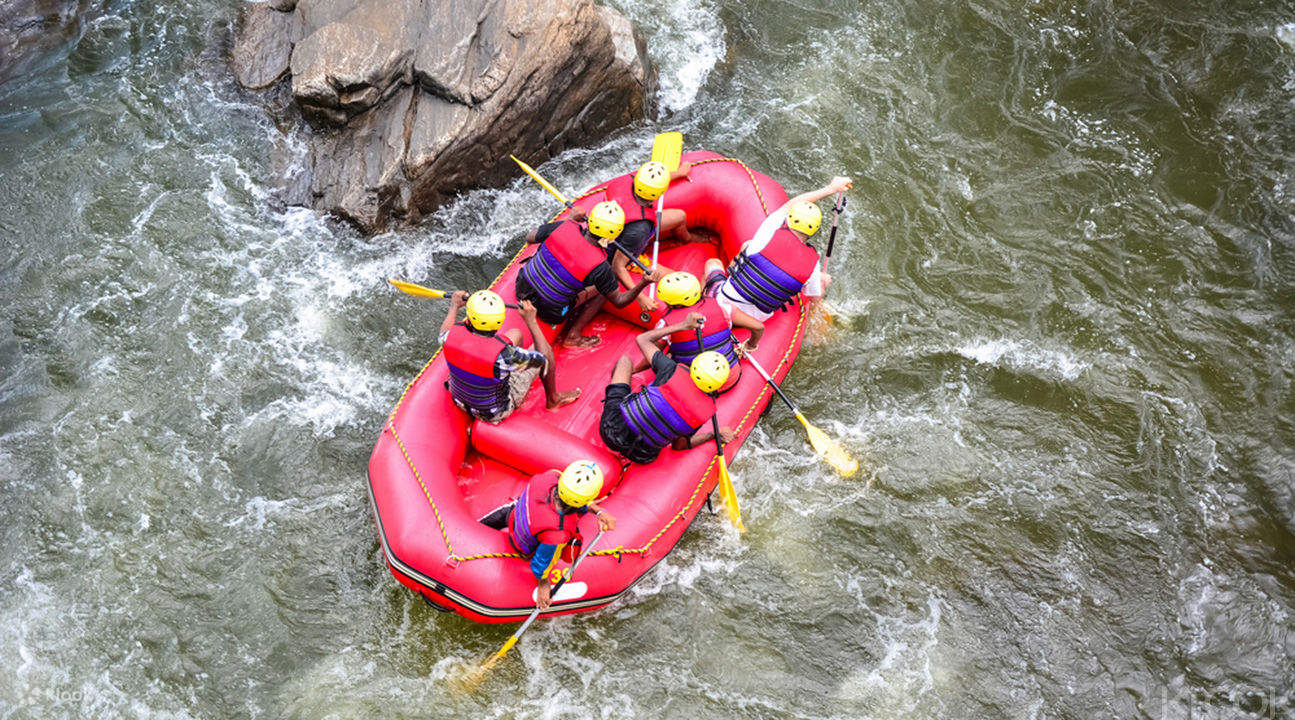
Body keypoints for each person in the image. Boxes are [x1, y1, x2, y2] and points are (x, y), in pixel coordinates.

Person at [702, 175, 853, 322]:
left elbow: (791, 204)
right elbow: (814, 297)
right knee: (819, 282)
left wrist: (831, 188)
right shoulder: (813, 263)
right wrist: (822, 283)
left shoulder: (768, 232)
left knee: (713, 263)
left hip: (724, 304)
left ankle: (703, 305)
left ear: (787, 219)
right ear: (814, 231)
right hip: (757, 318)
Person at [516, 200, 657, 347]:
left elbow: (529, 237)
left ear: (590, 221)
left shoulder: (564, 226)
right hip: (550, 312)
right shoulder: (601, 267)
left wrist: (569, 218)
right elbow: (619, 301)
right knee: (609, 284)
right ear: (614, 235)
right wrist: (643, 283)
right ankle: (573, 336)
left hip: (521, 287)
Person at [478, 460, 617, 609]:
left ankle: (479, 525)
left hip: (512, 515)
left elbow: (570, 496)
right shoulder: (558, 532)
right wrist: (543, 583)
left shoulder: (551, 475)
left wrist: (599, 511)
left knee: (506, 511)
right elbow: (540, 563)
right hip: (522, 546)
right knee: (555, 548)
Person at [599, 315, 736, 464]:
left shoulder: (671, 369)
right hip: (642, 456)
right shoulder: (707, 411)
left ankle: (620, 387)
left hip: (610, 430)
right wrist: (712, 435)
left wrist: (683, 325)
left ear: (695, 366)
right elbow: (679, 445)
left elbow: (642, 339)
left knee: (625, 361)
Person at [439, 290, 579, 423]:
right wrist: (531, 321)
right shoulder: (505, 356)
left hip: (459, 400)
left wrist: (454, 307)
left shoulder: (448, 337)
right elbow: (544, 357)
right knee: (541, 349)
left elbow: (443, 332)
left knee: (515, 333)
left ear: (470, 316)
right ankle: (553, 399)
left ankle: (508, 371)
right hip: (495, 411)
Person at [651, 271, 764, 392]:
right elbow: (758, 327)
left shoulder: (665, 324)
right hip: (730, 377)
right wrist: (749, 346)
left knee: (668, 355)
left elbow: (652, 354)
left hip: (696, 385)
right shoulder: (722, 307)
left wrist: (635, 370)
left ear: (670, 302)